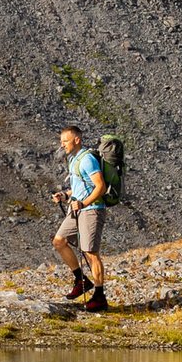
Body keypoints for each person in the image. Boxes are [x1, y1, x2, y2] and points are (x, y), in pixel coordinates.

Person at [52, 125, 110, 312]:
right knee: (59, 241)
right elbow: (79, 187)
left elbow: (100, 187)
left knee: (90, 252)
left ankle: (100, 297)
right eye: (61, 142)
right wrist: (65, 195)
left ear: (77, 140)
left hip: (91, 210)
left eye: (65, 142)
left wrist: (83, 204)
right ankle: (81, 279)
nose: (63, 146)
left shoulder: (87, 160)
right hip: (77, 209)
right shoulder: (73, 159)